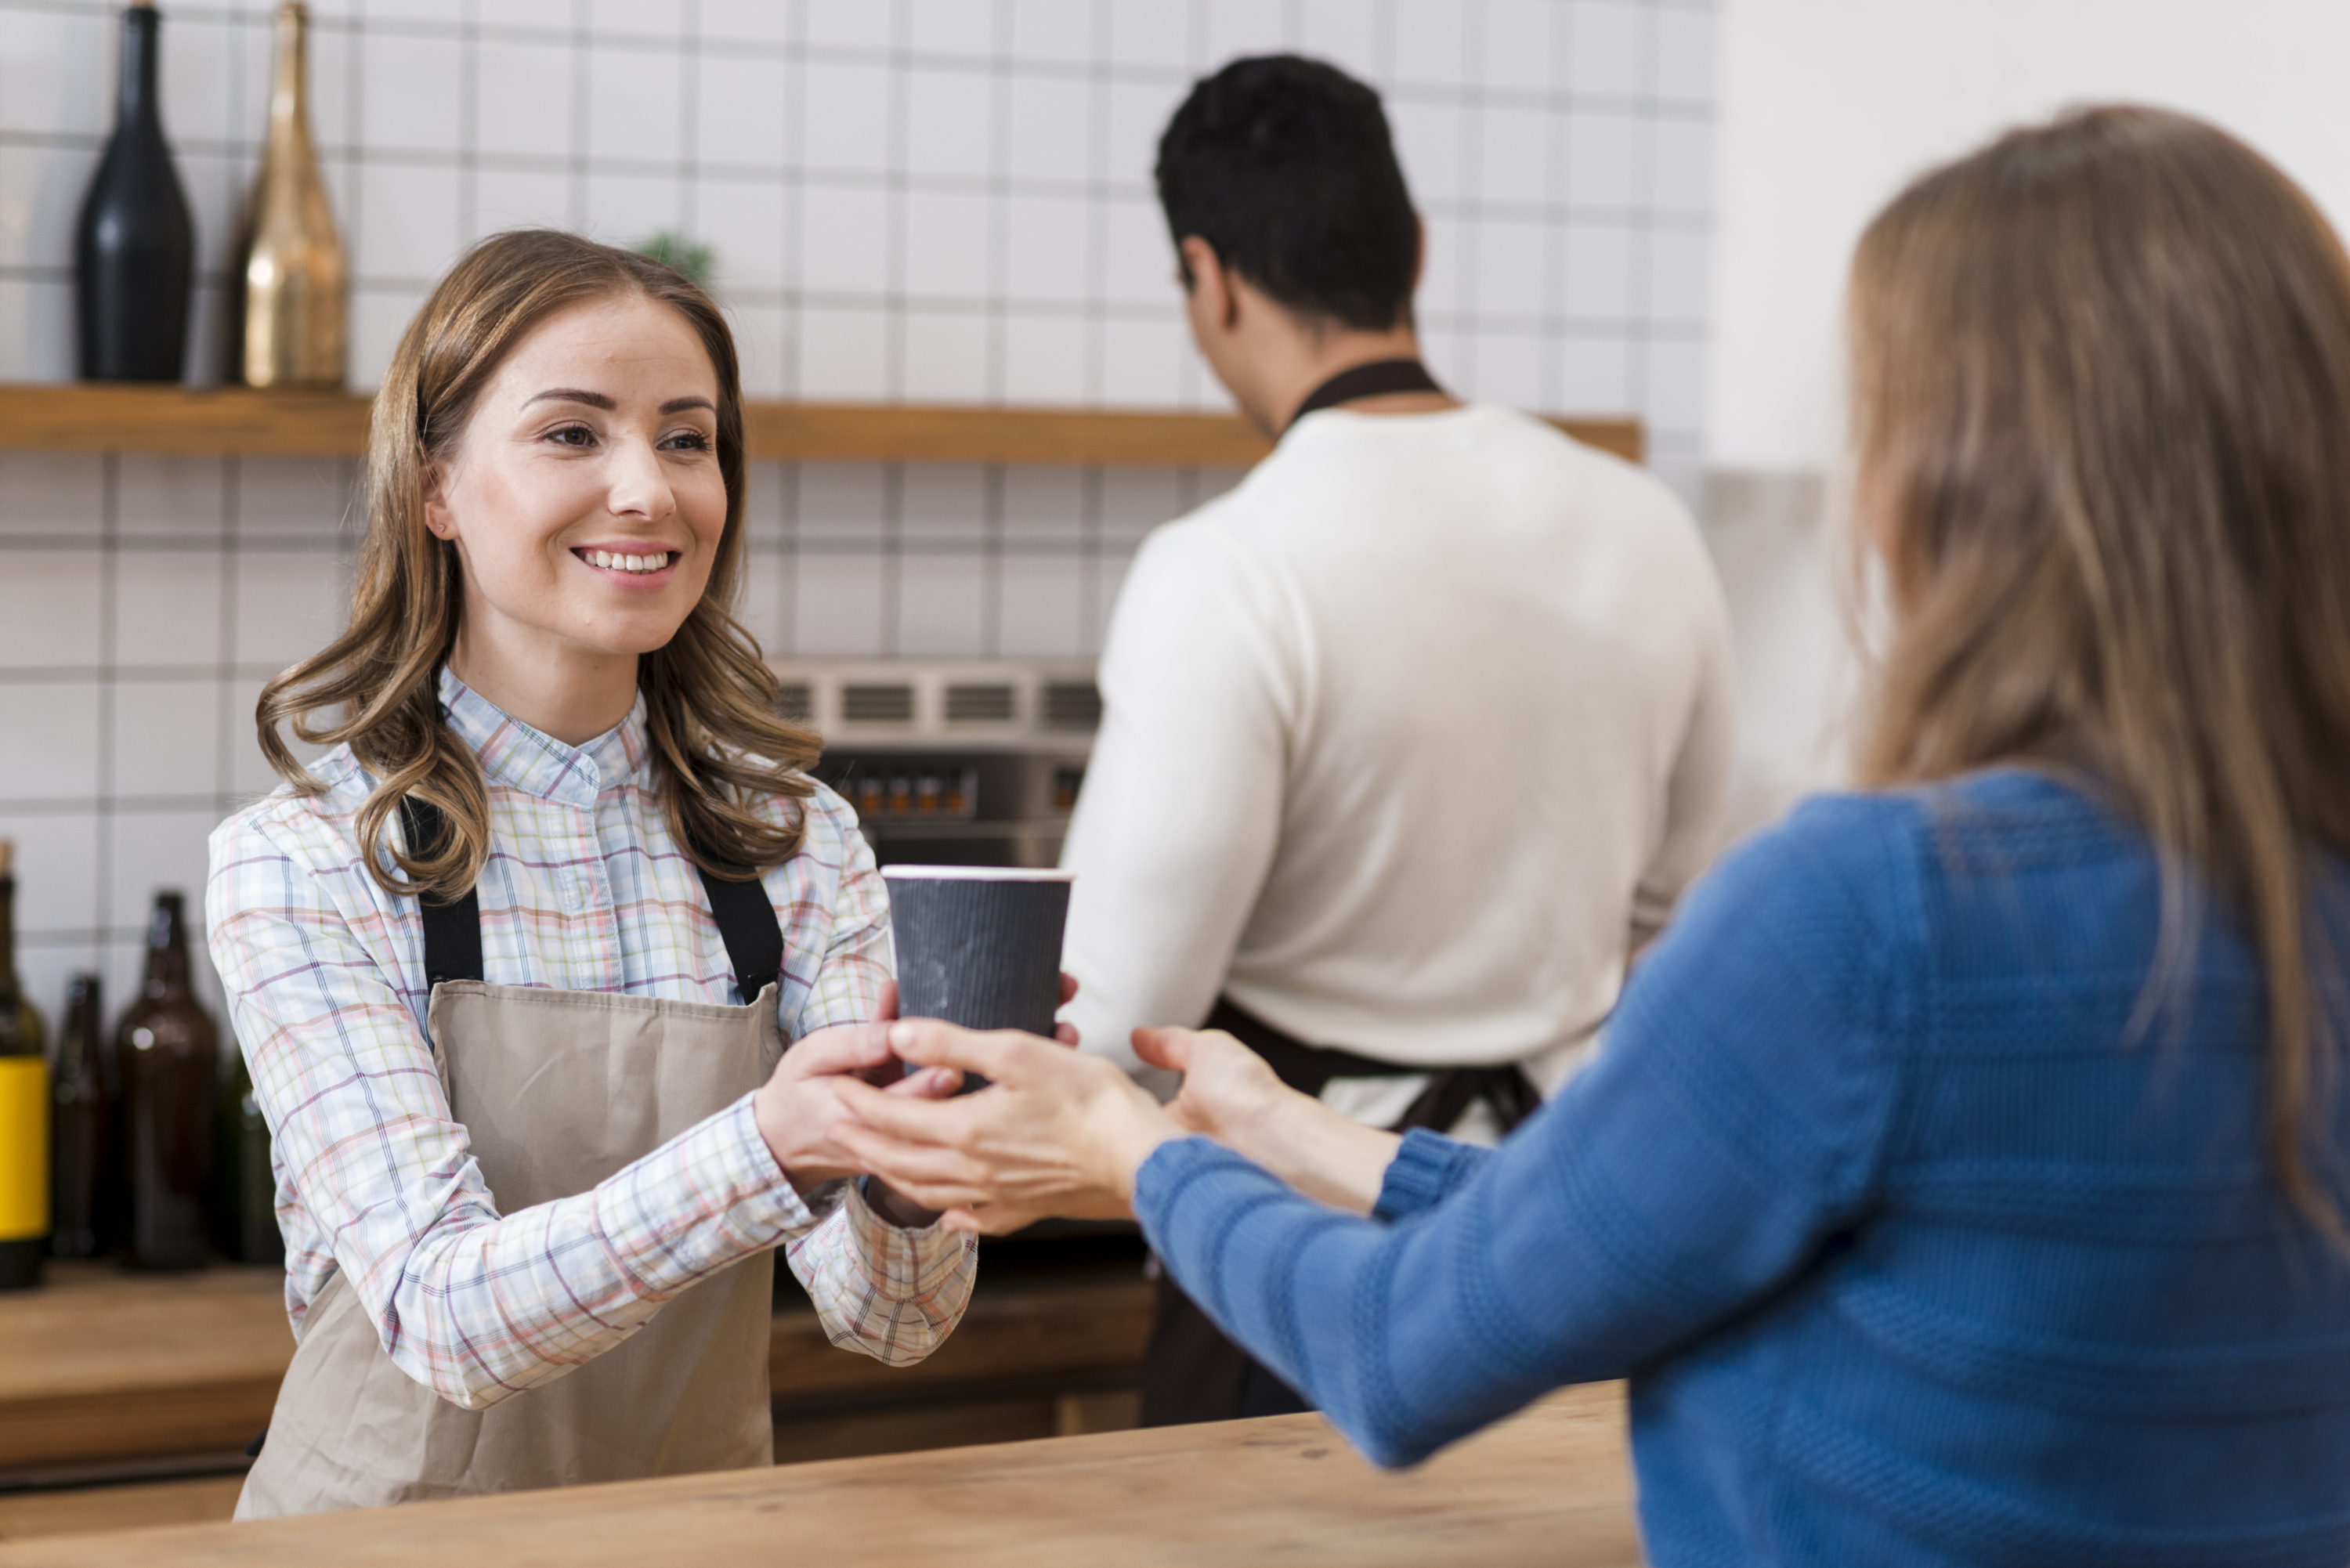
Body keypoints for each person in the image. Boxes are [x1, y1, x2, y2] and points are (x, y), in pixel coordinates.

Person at [833, 107, 2350, 1565]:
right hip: (1520, 1166)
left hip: (1336, 1305)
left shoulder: (1869, 911)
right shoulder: (1646, 528)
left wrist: (1132, 1146)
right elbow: (1680, 1162)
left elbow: (1404, 1338)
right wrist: (1299, 1133)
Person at [207, 230, 976, 1518]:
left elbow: (887, 1321)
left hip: (695, 1538)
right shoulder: (305, 862)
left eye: (688, 438)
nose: (648, 491)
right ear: (435, 485)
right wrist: (777, 1144)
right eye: (573, 433)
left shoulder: (796, 843)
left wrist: (909, 1162)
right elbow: (445, 1317)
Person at [1059, 52, 1734, 1425]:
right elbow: (1676, 900)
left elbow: (1118, 1000)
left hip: (1297, 1252)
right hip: (1567, 1228)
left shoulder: (1226, 565)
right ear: (1415, 248)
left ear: (1212, 278)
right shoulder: (1642, 523)